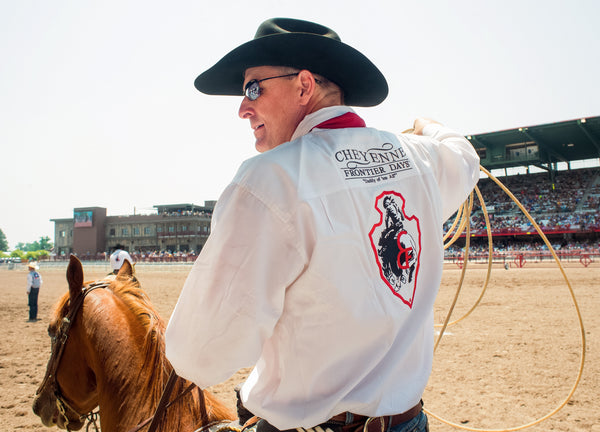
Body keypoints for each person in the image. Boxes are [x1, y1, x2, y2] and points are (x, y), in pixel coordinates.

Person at [166, 18, 480, 432]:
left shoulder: (270, 180)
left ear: (304, 86)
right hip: (408, 420)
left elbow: (199, 353)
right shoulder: (421, 158)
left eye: (253, 88)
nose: (243, 107)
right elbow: (464, 155)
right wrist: (429, 126)